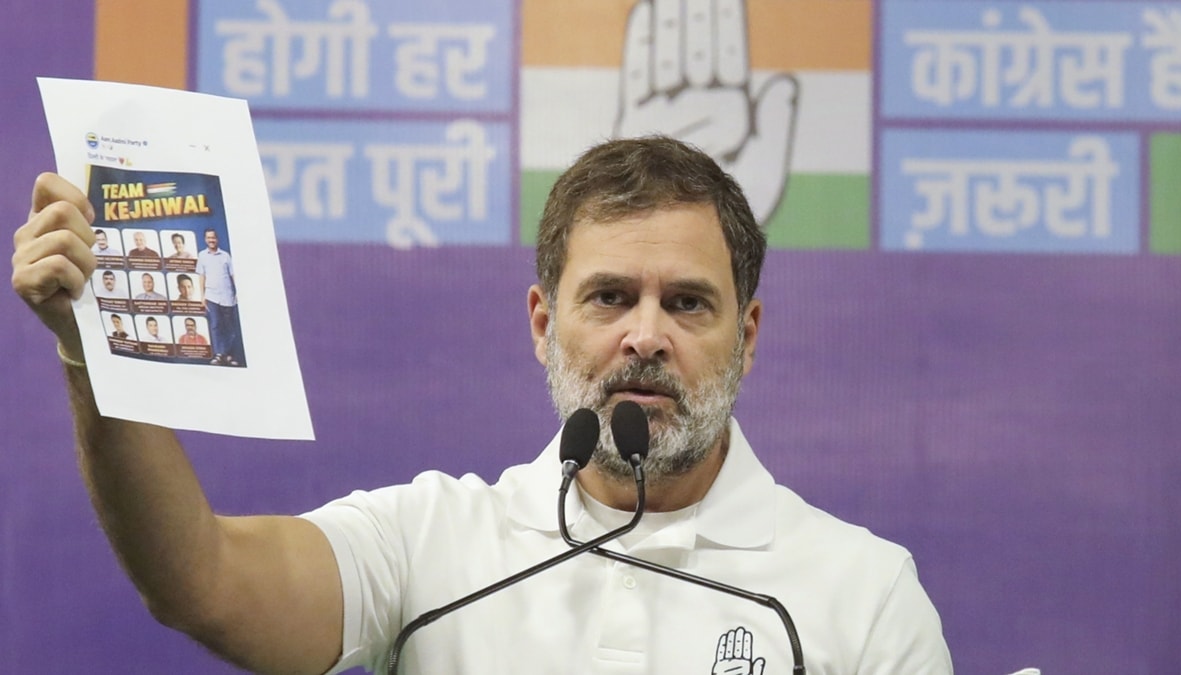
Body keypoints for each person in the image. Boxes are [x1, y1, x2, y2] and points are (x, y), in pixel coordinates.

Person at [10, 137, 952, 674]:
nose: (647, 335)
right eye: (610, 295)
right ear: (544, 322)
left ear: (748, 335)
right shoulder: (432, 541)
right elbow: (201, 581)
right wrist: (92, 357)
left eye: (689, 302)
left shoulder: (862, 594)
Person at [195, 228, 242, 366]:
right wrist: (202, 296)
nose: (211, 240)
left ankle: (228, 355)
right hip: (211, 296)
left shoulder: (225, 256)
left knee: (229, 327)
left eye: (213, 238)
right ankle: (218, 354)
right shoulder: (202, 255)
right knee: (215, 325)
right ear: (205, 239)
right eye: (208, 238)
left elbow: (233, 274)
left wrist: (238, 291)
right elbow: (201, 276)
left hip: (227, 296)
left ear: (217, 239)